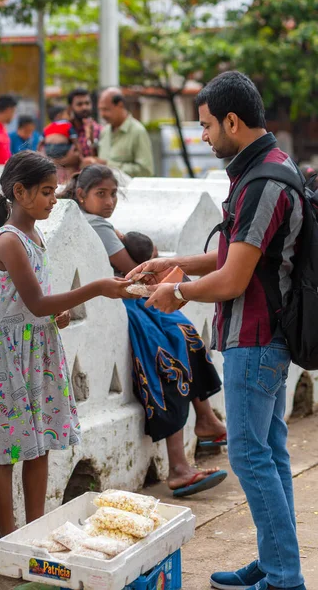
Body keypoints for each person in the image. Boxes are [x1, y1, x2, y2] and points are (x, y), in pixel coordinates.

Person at [127, 72, 306, 590]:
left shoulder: (265, 181)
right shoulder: (263, 169)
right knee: (268, 454)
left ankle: (283, 577)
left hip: (258, 337)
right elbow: (237, 253)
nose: (202, 136)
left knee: (251, 456)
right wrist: (175, 262)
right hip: (260, 336)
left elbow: (233, 277)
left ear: (232, 120)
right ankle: (277, 562)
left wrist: (177, 294)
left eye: (206, 125)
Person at [0, 151, 130, 539]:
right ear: (19, 192)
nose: (53, 200)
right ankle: (8, 536)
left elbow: (35, 303)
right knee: (5, 448)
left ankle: (36, 529)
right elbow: (37, 302)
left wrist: (53, 316)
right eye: (46, 192)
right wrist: (95, 288)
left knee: (38, 442)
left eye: (54, 191)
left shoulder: (34, 235)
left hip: (37, 346)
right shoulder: (8, 241)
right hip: (10, 353)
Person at [60, 165, 228, 497]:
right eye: (100, 194)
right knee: (170, 352)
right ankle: (180, 465)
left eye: (112, 195)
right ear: (81, 195)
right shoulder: (98, 225)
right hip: (126, 306)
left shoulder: (91, 222)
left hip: (127, 304)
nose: (108, 202)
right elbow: (129, 269)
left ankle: (204, 422)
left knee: (181, 335)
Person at [96, 88, 154, 177]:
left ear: (120, 105)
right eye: (100, 110)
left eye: (106, 109)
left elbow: (146, 171)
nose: (102, 114)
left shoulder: (137, 131)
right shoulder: (105, 131)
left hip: (128, 190)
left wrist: (109, 166)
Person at [68, 88, 103, 158]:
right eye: (79, 104)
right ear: (70, 108)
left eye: (87, 103)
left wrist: (91, 140)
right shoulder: (65, 129)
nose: (84, 107)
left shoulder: (100, 130)